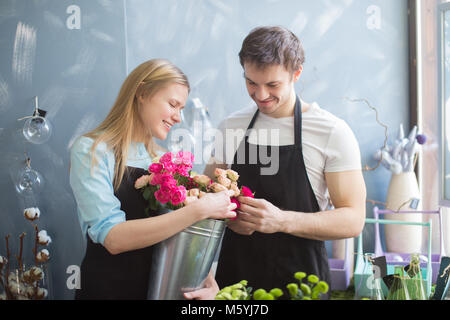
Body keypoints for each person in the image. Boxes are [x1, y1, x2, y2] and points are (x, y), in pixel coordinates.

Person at [185, 26, 367, 300]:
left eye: (272, 85)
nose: (260, 95)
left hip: (303, 286)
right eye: (251, 83)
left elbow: (353, 219)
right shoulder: (231, 127)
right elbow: (202, 206)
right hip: (234, 288)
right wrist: (206, 271)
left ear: (297, 74)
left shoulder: (331, 131)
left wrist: (280, 220)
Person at [69, 59, 237, 300]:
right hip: (107, 290)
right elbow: (113, 238)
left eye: (181, 108)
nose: (178, 117)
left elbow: (184, 235)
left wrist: (207, 282)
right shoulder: (91, 150)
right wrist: (198, 211)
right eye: (173, 104)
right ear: (142, 93)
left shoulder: (164, 161)